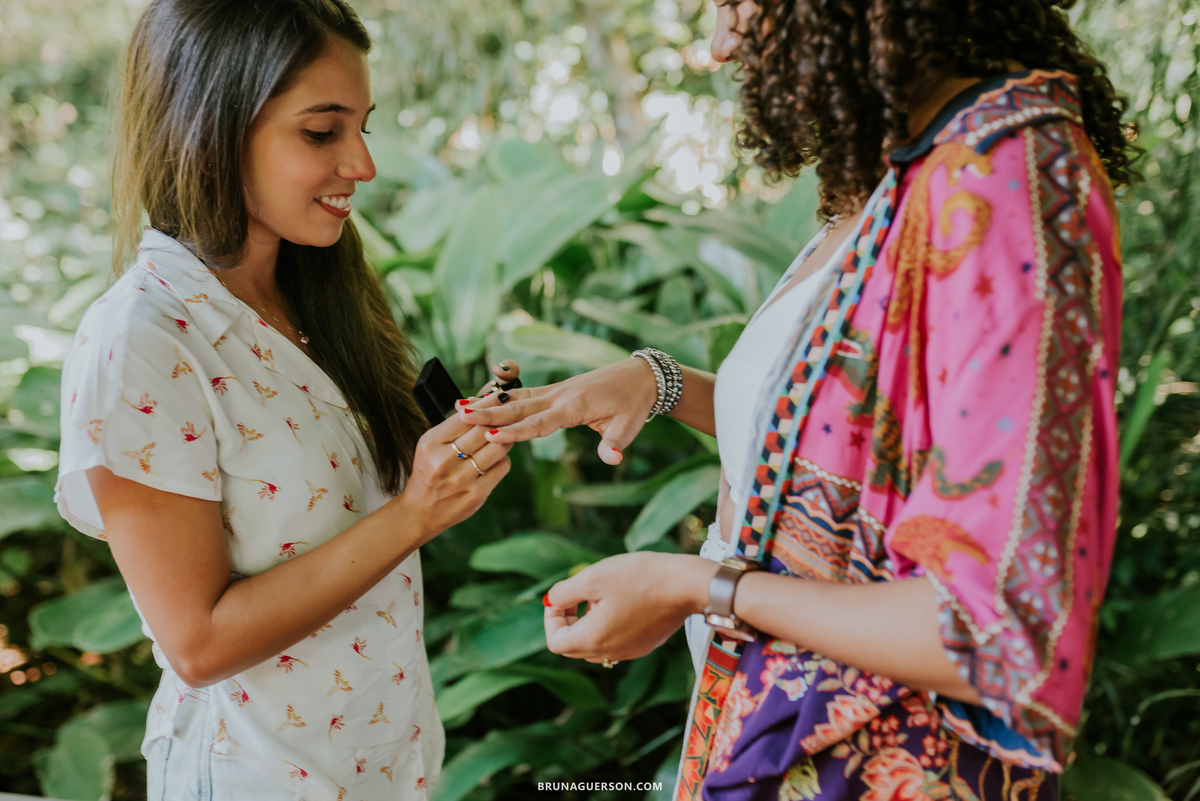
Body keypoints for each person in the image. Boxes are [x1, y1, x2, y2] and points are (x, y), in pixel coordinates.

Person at [459, 1, 1135, 798]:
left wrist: (695, 587)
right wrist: (661, 382)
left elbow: (992, 628)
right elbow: (842, 440)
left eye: (735, 4)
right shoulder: (898, 174)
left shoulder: (1002, 183)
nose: (718, 46)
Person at [54, 1, 515, 797]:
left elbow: (342, 509)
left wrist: (453, 454)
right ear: (210, 127)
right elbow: (196, 641)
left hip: (384, 759)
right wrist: (415, 513)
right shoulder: (145, 339)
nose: (363, 164)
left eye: (363, 126)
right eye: (321, 132)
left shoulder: (315, 285)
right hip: (259, 774)